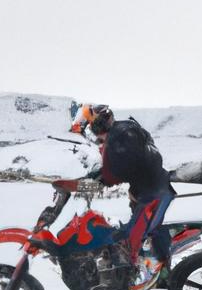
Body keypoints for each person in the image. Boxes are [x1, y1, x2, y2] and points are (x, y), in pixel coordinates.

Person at [69, 104, 176, 270]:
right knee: (142, 234)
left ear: (98, 126)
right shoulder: (123, 132)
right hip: (148, 192)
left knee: (127, 241)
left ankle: (164, 277)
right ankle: (157, 273)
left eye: (89, 130)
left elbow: (119, 169)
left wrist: (87, 183)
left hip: (153, 195)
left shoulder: (122, 135)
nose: (92, 137)